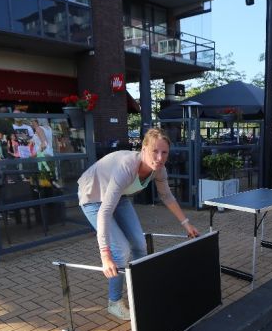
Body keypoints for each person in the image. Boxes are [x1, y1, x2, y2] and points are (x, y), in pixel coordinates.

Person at [78, 128, 200, 320]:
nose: (159, 158)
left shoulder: (159, 169)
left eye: (164, 152)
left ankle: (139, 291)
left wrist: (186, 224)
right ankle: (114, 302)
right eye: (154, 151)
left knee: (140, 244)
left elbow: (167, 196)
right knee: (121, 249)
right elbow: (105, 212)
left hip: (118, 196)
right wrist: (105, 255)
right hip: (92, 196)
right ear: (143, 149)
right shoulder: (127, 167)